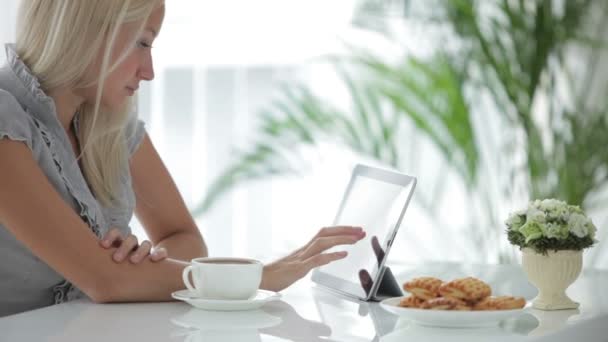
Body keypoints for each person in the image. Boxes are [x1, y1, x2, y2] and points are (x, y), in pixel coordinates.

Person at [0, 0, 366, 317]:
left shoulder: (111, 125)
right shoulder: (5, 116)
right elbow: (105, 281)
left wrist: (141, 267)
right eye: (141, 43)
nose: (149, 71)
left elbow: (185, 239)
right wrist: (258, 278)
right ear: (86, 32)